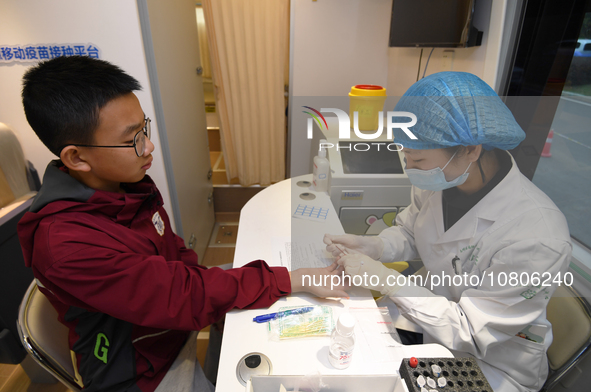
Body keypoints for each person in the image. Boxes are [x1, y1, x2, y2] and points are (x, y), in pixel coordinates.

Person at [17, 56, 347, 392]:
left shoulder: (126, 186)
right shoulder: (66, 244)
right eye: (132, 139)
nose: (148, 146)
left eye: (143, 128)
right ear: (76, 157)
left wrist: (235, 291)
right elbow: (179, 295)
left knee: (273, 288)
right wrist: (288, 280)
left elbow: (174, 253)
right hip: (140, 369)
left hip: (169, 324)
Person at [325, 72, 571, 392]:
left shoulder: (538, 237)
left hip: (493, 367)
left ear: (471, 149)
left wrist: (386, 279)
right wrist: (375, 246)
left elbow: (469, 329)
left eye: (419, 158)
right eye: (405, 154)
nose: (409, 166)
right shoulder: (443, 182)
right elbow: (412, 232)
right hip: (435, 330)